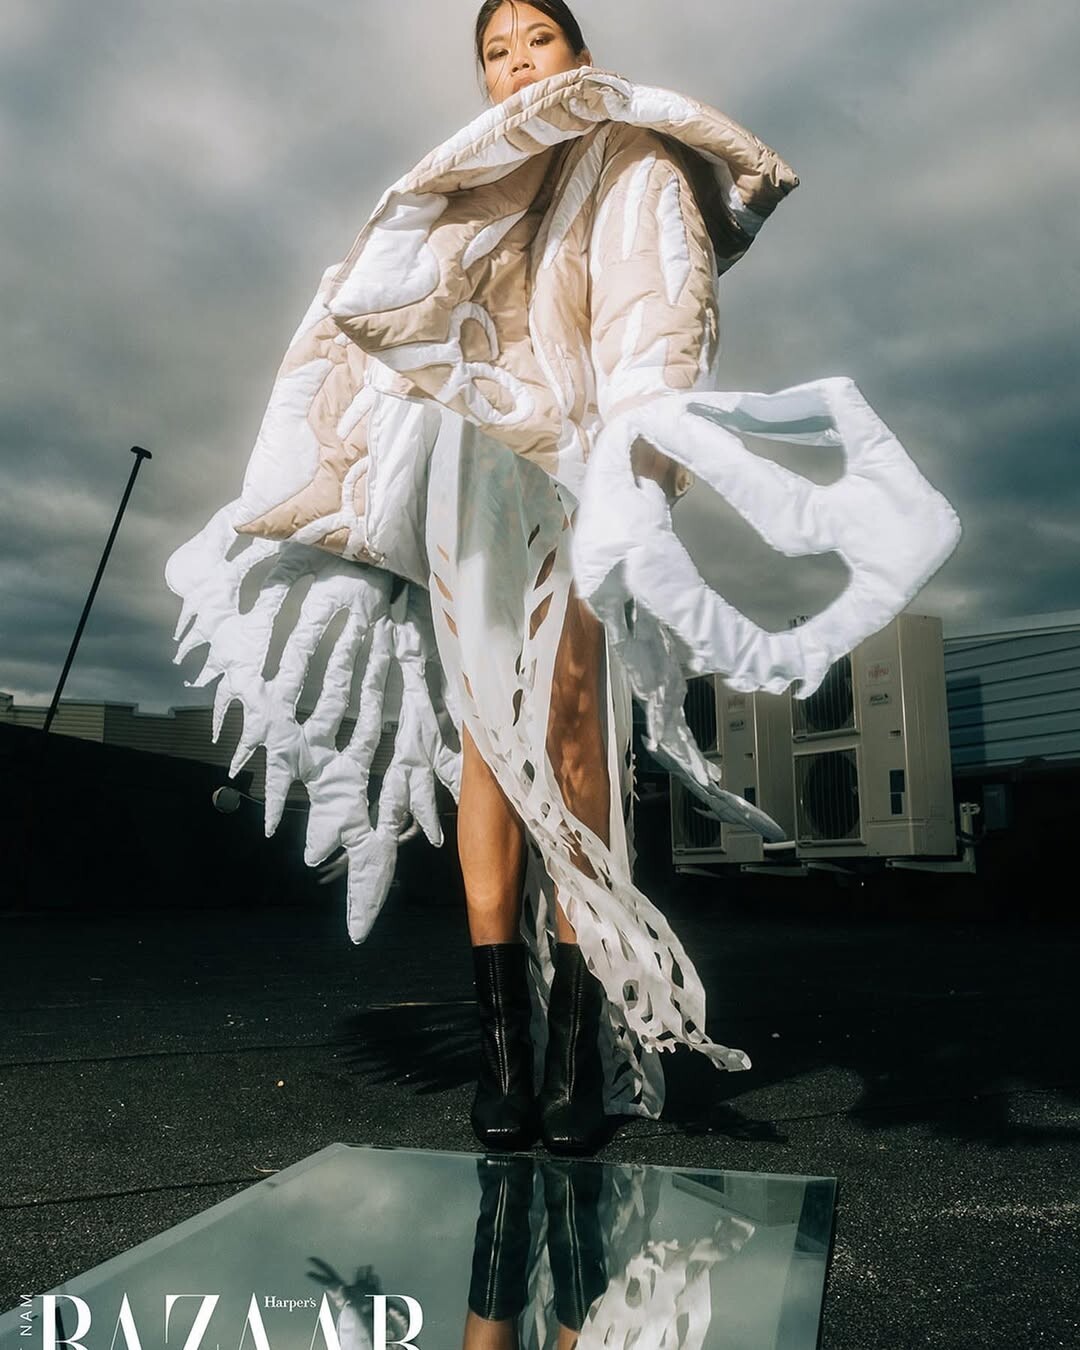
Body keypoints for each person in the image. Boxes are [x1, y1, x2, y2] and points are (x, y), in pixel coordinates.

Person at [166, 0, 960, 1164]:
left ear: (577, 55)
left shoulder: (630, 153)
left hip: (571, 465)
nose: (515, 63)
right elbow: (386, 305)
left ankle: (579, 1055)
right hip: (467, 472)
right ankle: (508, 1060)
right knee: (488, 737)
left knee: (574, 727)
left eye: (535, 40)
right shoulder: (470, 174)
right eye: (495, 52)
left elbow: (662, 306)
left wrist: (641, 445)